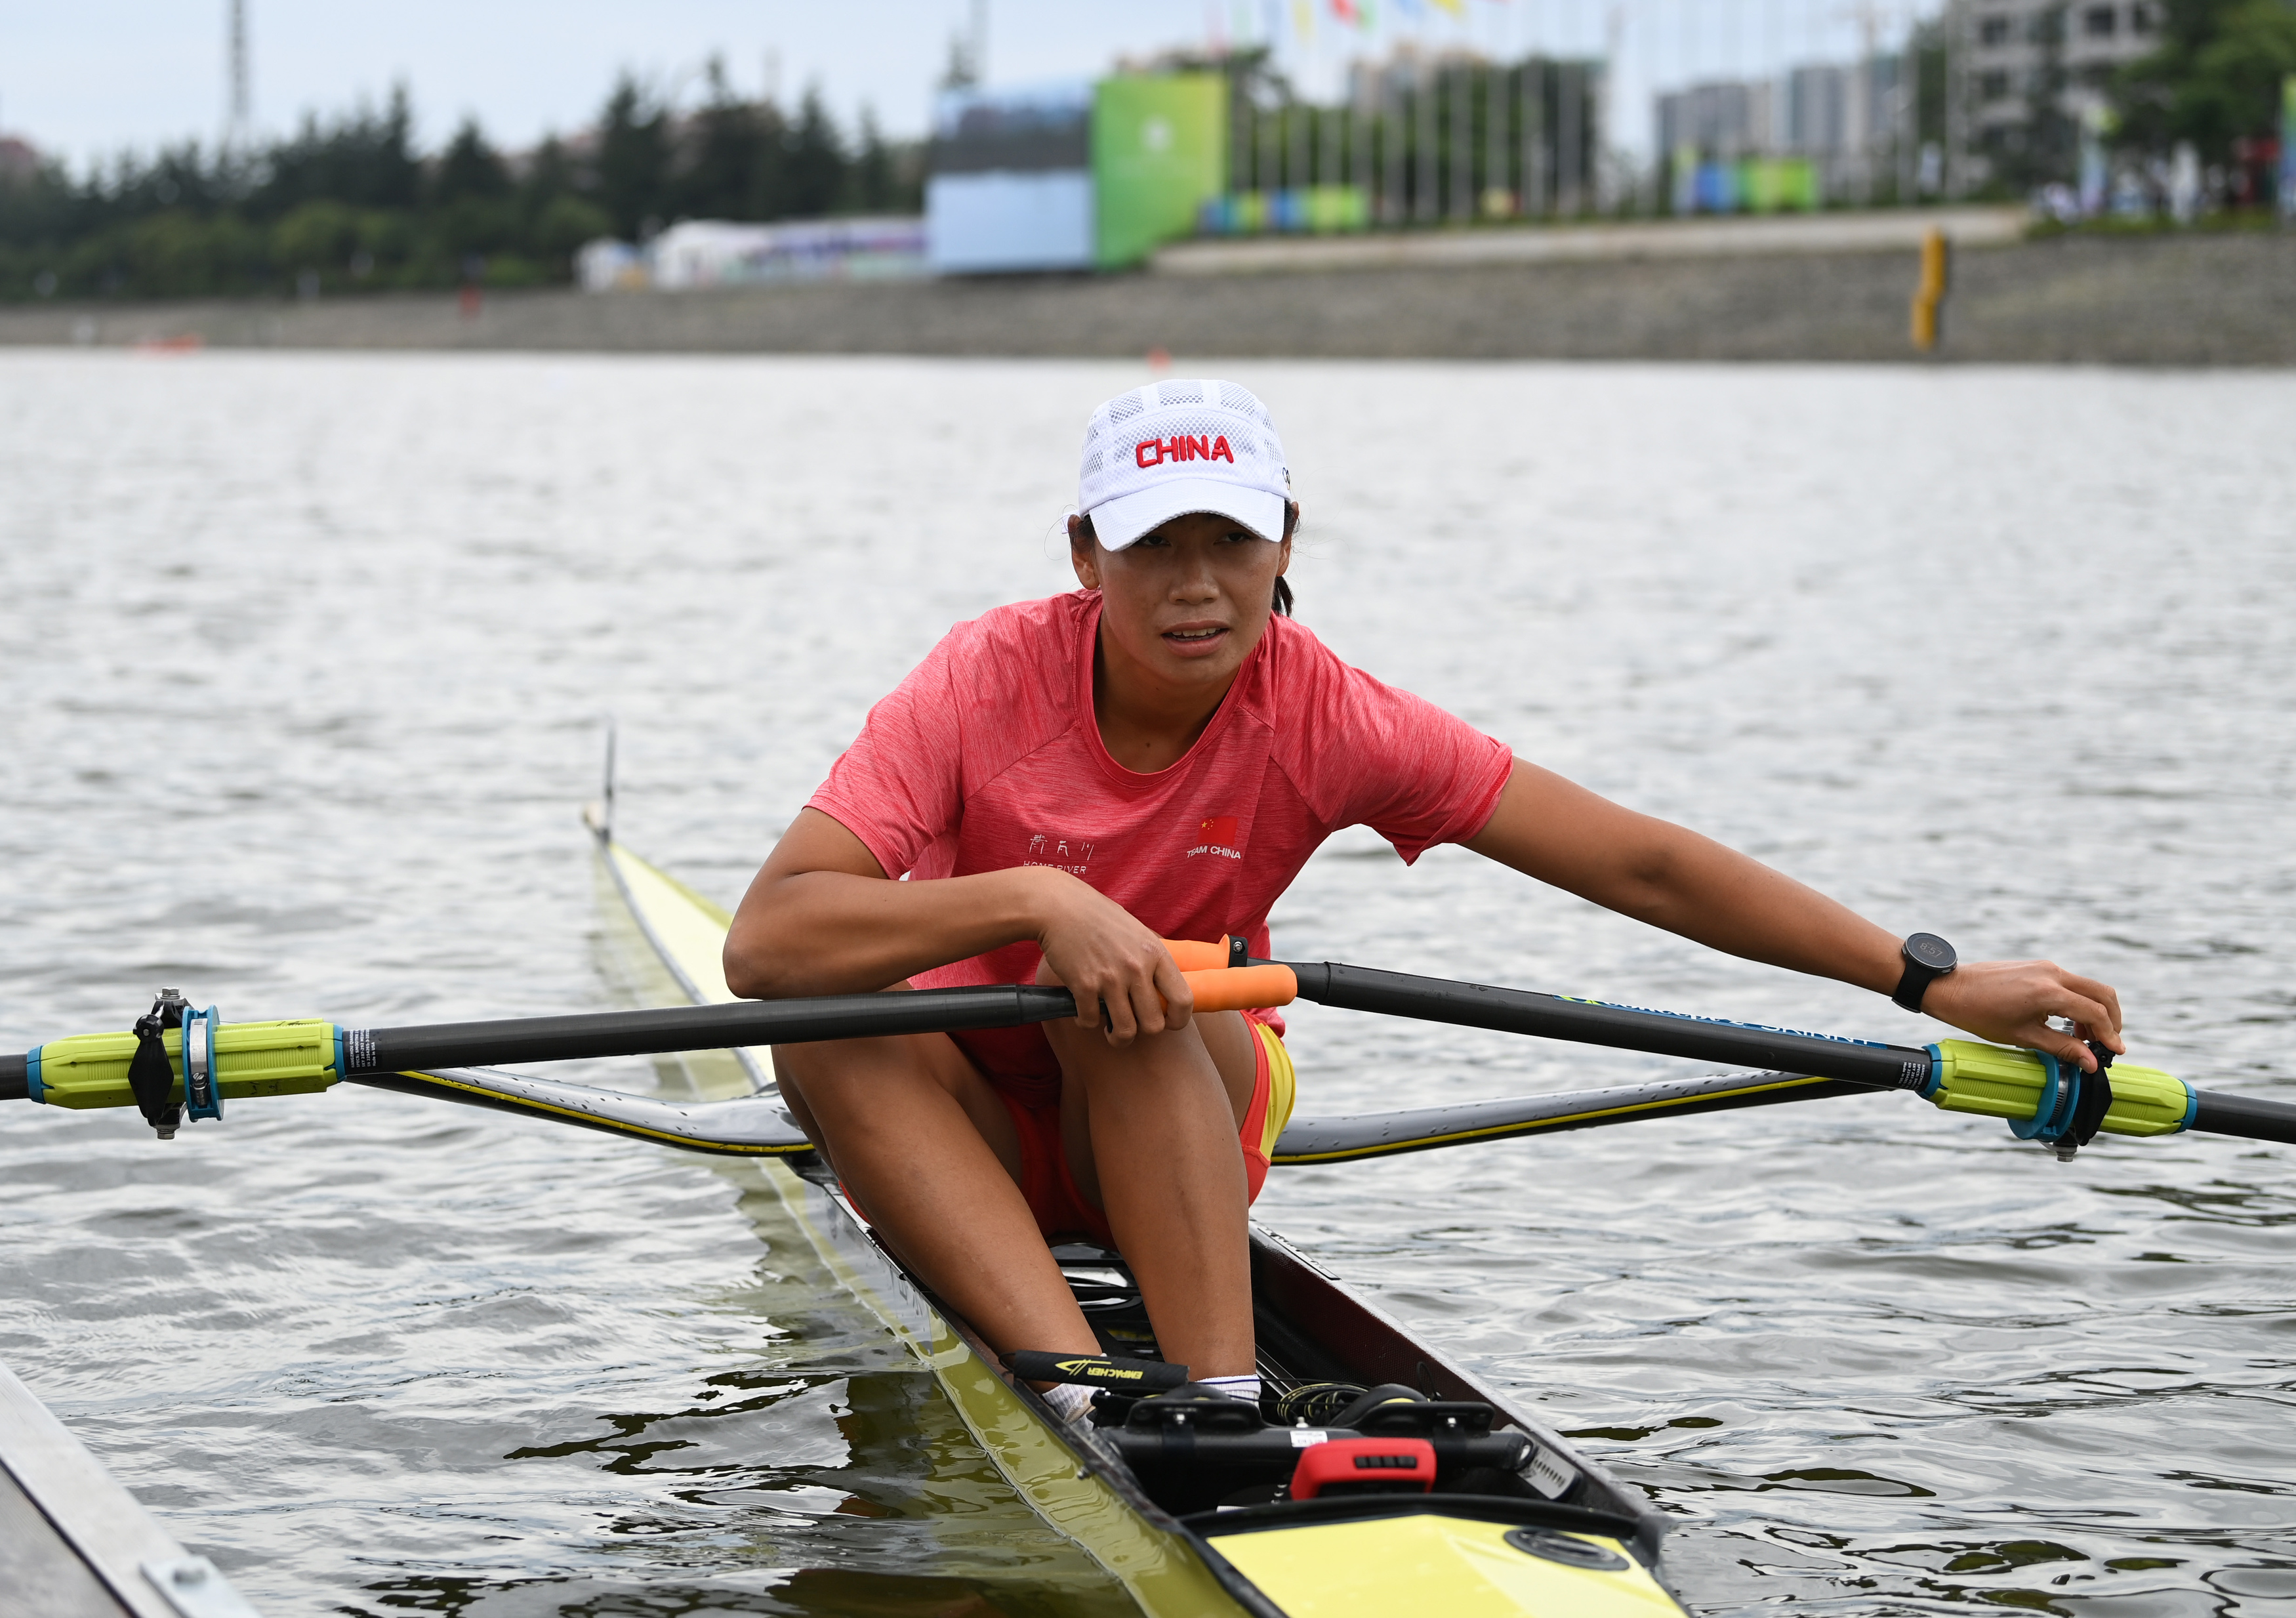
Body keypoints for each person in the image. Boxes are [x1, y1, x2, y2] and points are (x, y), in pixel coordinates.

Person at [723, 379, 2122, 1424]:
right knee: (823, 1026)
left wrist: (1924, 984)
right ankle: (1079, 1393)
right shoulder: (984, 678)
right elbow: (767, 942)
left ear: (1284, 544)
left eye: (1232, 540)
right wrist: (1035, 894)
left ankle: (1217, 1402)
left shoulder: (1327, 713)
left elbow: (1635, 861)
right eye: (1156, 546)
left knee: (1132, 995)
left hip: (1171, 1086)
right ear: (1087, 556)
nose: (1197, 586)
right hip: (969, 1093)